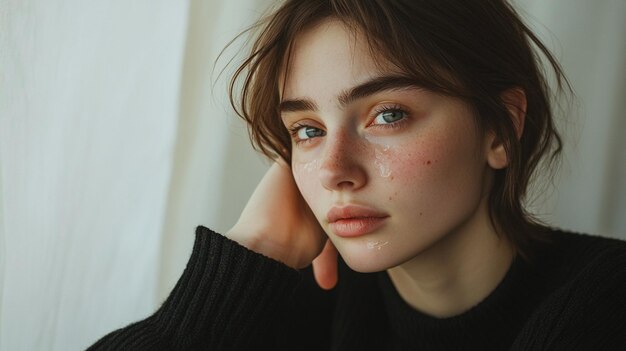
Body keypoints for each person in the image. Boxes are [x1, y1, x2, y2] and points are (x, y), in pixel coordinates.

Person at [87, 0, 626, 350]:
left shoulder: (603, 301)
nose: (334, 171)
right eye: (306, 129)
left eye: (387, 115)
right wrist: (257, 248)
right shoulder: (291, 311)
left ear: (502, 129)